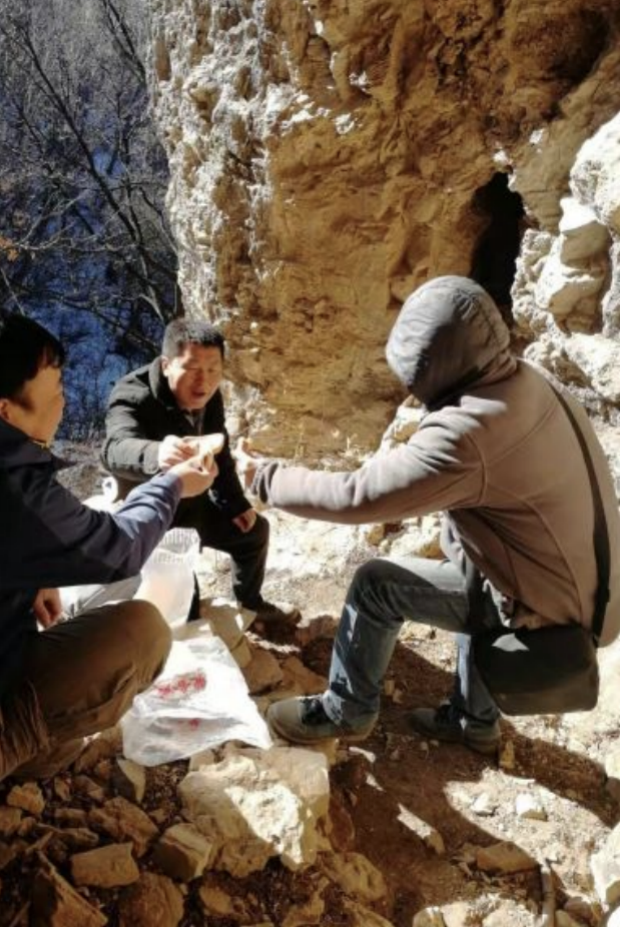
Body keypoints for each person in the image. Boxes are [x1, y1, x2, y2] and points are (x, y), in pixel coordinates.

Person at [235, 276, 620, 754]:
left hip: (549, 611)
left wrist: (262, 478)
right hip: (593, 587)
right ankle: (475, 723)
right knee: (476, 573)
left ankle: (346, 710)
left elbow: (357, 496)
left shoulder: (469, 434)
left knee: (377, 584)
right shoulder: (526, 379)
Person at [0, 311, 216, 812]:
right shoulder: (4, 492)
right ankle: (13, 757)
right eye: (56, 389)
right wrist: (172, 485)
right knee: (142, 632)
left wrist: (28, 568)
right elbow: (120, 548)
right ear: (5, 411)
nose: (65, 400)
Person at [102, 318, 297, 625]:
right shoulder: (132, 394)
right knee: (186, 607)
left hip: (197, 505)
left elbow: (220, 450)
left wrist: (235, 504)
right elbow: (114, 448)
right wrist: (157, 453)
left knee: (254, 531)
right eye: (192, 369)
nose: (203, 383)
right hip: (155, 515)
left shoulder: (209, 395)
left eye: (213, 370)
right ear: (166, 365)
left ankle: (251, 604)